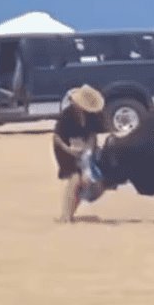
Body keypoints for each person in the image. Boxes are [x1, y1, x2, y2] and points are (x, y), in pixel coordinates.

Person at [53, 85, 106, 222]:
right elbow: (57, 137)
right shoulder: (67, 115)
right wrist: (68, 149)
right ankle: (66, 215)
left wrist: (88, 154)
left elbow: (92, 136)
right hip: (65, 149)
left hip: (85, 149)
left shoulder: (93, 116)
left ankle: (70, 212)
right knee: (75, 178)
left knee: (85, 182)